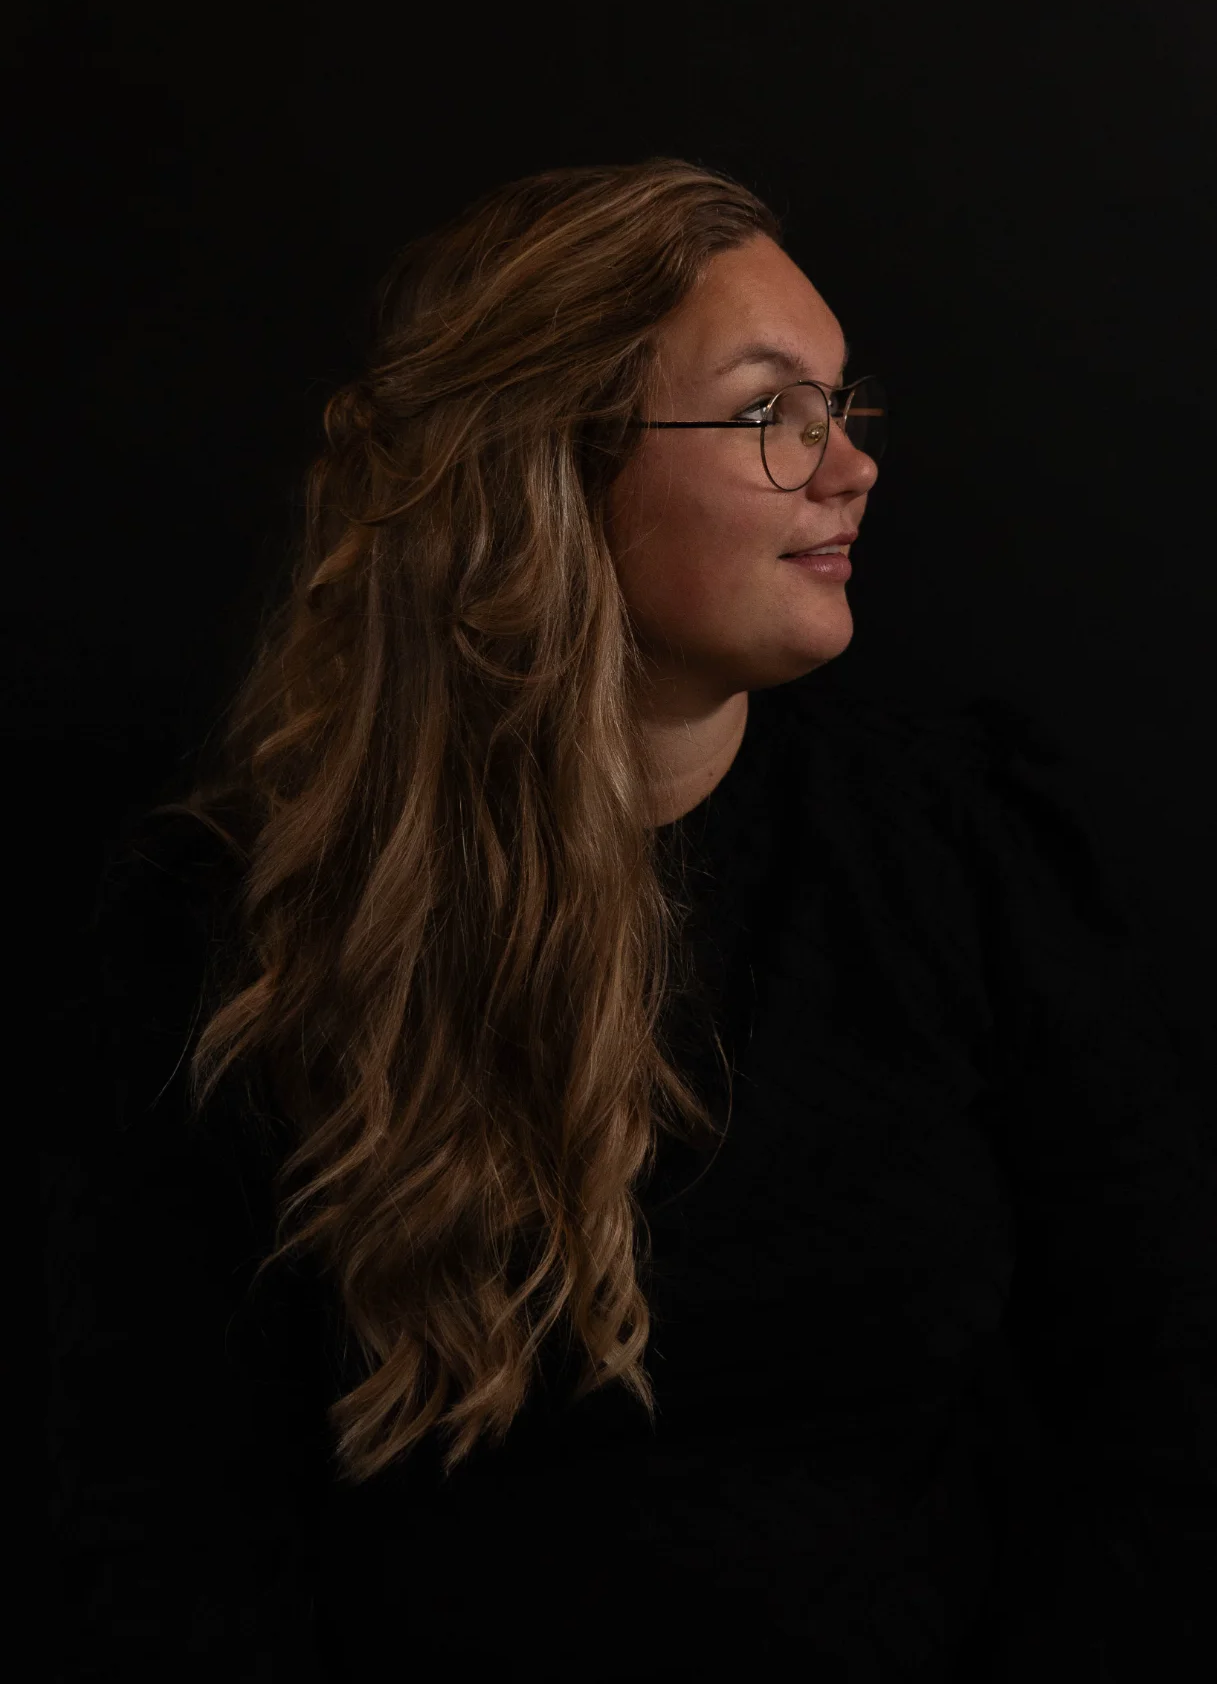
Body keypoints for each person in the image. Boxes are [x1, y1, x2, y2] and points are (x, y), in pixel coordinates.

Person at [48, 159, 1216, 1680]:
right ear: (549, 466)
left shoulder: (955, 845)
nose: (852, 466)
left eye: (843, 405)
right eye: (770, 412)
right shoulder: (230, 921)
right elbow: (158, 1524)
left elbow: (1168, 1399)